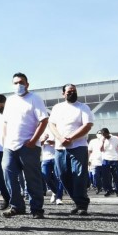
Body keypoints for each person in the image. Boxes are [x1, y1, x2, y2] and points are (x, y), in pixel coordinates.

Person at [1, 72, 48, 219]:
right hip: (10, 145)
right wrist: (5, 141)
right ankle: (16, 206)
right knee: (7, 172)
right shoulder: (10, 100)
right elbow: (6, 122)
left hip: (28, 145)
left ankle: (36, 208)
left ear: (27, 84)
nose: (18, 85)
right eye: (15, 83)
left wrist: (34, 141)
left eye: (21, 82)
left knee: (32, 177)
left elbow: (43, 120)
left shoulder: (35, 99)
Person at [49, 83, 94, 215]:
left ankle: (82, 204)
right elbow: (52, 124)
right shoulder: (57, 108)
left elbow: (87, 125)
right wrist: (60, 138)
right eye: (69, 91)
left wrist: (71, 138)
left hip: (78, 146)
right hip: (60, 147)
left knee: (79, 175)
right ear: (63, 94)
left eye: (74, 91)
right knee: (62, 175)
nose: (72, 93)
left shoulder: (83, 107)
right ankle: (77, 201)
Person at [99, 127, 118, 197]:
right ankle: (109, 190)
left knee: (117, 177)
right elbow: (101, 149)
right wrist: (103, 141)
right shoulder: (102, 139)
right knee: (106, 177)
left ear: (108, 133)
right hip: (105, 160)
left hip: (114, 159)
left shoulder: (115, 138)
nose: (103, 136)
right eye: (102, 135)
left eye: (104, 134)